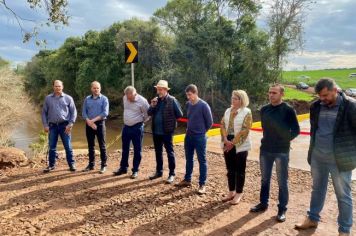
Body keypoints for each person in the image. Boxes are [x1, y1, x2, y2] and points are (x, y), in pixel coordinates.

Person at [295, 78, 356, 236]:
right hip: (318, 158)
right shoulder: (316, 106)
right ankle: (313, 218)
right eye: (320, 96)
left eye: (326, 95)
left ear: (335, 90)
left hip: (340, 160)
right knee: (317, 190)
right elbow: (315, 131)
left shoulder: (351, 106)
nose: (322, 99)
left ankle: (344, 230)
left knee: (343, 195)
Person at [250, 84, 300, 222]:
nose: (271, 95)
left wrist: (284, 141)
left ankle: (282, 209)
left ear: (282, 94)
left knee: (282, 181)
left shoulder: (288, 110)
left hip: (281, 152)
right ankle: (263, 203)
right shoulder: (264, 110)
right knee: (264, 179)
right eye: (269, 92)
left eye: (274, 93)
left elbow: (296, 130)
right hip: (265, 150)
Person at [176, 84, 213, 194]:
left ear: (195, 93)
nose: (188, 97)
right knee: (189, 158)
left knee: (202, 160)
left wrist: (202, 132)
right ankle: (187, 179)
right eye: (187, 95)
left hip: (200, 137)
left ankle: (202, 184)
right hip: (189, 136)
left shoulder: (203, 105)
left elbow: (210, 122)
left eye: (190, 95)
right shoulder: (188, 104)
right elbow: (190, 118)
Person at [147, 80, 183, 184]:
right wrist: (152, 105)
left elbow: (179, 114)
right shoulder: (156, 100)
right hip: (156, 132)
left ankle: (172, 174)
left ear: (166, 90)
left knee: (170, 153)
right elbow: (149, 113)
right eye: (158, 89)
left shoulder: (172, 100)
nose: (159, 91)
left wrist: (171, 120)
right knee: (158, 152)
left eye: (161, 89)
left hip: (167, 132)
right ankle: (159, 172)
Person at [220, 90, 252, 205]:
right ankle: (231, 191)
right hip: (227, 140)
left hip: (240, 144)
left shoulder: (247, 112)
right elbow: (222, 124)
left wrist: (232, 143)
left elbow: (245, 130)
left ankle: (239, 193)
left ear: (241, 100)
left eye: (235, 98)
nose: (232, 100)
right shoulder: (228, 110)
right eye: (232, 98)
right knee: (230, 169)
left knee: (240, 170)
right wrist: (225, 139)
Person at [41, 80, 77, 173]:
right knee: (52, 147)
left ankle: (72, 164)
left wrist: (70, 124)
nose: (58, 88)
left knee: (68, 146)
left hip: (65, 126)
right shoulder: (48, 98)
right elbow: (44, 113)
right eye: (56, 86)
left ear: (62, 87)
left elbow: (74, 112)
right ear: (53, 87)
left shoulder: (68, 98)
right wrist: (45, 125)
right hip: (52, 126)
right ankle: (51, 165)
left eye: (59, 86)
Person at [113, 86, 149, 179]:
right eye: (127, 97)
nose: (129, 99)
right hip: (126, 127)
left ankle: (135, 170)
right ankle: (123, 168)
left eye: (131, 97)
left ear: (135, 94)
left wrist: (141, 123)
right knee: (125, 148)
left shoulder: (143, 101)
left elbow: (147, 115)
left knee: (137, 149)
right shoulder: (125, 97)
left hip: (137, 127)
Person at [82, 81, 109, 174]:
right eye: (94, 88)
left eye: (98, 88)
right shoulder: (87, 99)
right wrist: (89, 122)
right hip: (89, 124)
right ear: (91, 89)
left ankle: (103, 165)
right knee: (90, 145)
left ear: (100, 88)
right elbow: (84, 112)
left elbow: (105, 113)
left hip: (100, 124)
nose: (96, 89)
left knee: (102, 145)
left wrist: (92, 121)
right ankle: (91, 164)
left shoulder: (104, 99)